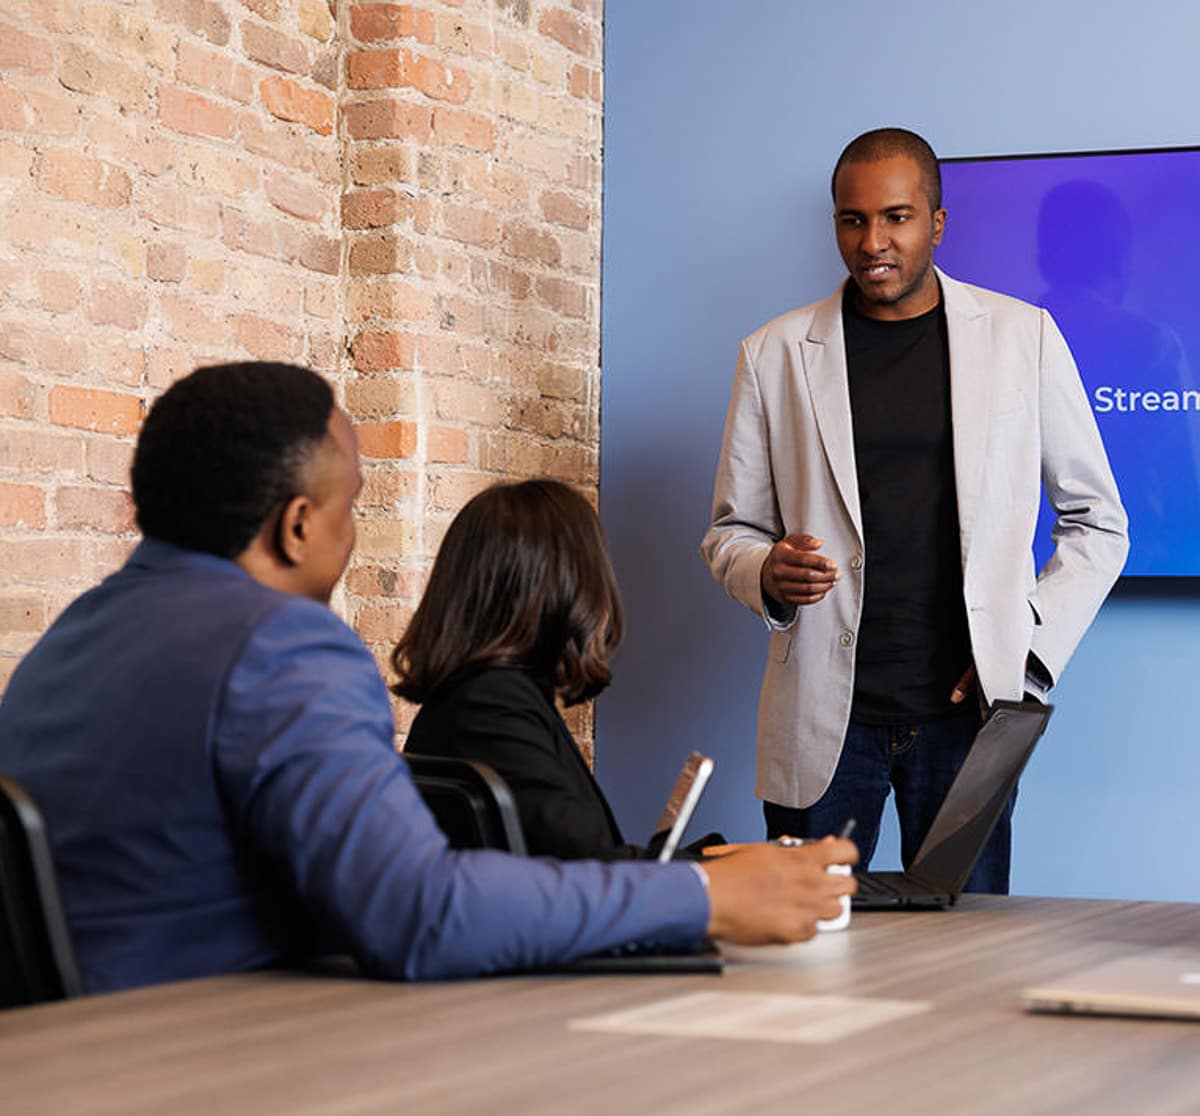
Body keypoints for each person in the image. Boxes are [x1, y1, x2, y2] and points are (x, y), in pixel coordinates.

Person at [0, 362, 857, 995]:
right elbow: (420, 912)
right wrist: (700, 894)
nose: (353, 534)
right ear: (298, 527)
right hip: (191, 1073)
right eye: (353, 506)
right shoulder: (283, 648)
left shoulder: (72, 638)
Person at [700, 128, 1128, 893]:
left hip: (969, 723)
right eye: (852, 220)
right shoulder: (773, 353)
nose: (873, 242)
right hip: (820, 727)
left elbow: (1098, 520)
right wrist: (765, 570)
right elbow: (730, 532)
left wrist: (1026, 657)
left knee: (972, 960)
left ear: (936, 220)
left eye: (896, 217)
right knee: (810, 963)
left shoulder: (1021, 338)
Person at [398, 478, 722, 860]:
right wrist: (722, 873)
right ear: (559, 587)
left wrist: (718, 861)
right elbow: (592, 875)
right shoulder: (492, 710)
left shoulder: (475, 699)